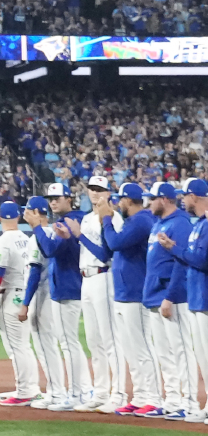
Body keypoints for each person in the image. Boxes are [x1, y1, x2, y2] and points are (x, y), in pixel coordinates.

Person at [64, 175, 125, 413]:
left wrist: (79, 235)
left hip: (103, 276)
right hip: (86, 279)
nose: (95, 193)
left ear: (108, 193)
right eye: (92, 188)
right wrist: (71, 237)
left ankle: (119, 394)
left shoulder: (113, 218)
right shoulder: (88, 218)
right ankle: (100, 393)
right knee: (93, 340)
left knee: (111, 340)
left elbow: (106, 254)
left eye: (100, 189)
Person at [100, 182, 161, 416]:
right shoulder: (133, 221)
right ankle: (140, 395)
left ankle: (154, 397)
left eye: (120, 200)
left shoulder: (141, 221)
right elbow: (111, 247)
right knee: (131, 349)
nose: (117, 204)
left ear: (128, 200)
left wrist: (106, 219)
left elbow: (115, 243)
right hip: (124, 293)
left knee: (142, 347)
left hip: (136, 292)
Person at [33, 183, 93, 410]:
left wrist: (37, 227)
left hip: (68, 287)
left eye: (57, 198)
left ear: (69, 198)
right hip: (71, 285)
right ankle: (84, 389)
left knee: (69, 343)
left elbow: (50, 250)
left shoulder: (70, 221)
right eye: (50, 199)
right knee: (71, 342)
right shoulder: (77, 219)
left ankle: (77, 394)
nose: (53, 202)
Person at [143, 182, 196, 420]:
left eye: (152, 198)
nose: (149, 203)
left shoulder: (180, 223)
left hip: (171, 296)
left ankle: (190, 402)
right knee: (164, 352)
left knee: (180, 350)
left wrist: (170, 296)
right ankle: (173, 399)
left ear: (164, 199)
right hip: (155, 293)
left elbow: (181, 263)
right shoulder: (159, 223)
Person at [162, 178, 208, 424]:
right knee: (202, 356)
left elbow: (201, 260)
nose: (182, 200)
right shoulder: (199, 224)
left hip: (205, 297)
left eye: (185, 196)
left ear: (194, 196)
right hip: (197, 297)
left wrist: (174, 249)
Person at [0, 201, 40, 406]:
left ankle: (25, 390)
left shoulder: (2, 242)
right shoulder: (26, 239)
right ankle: (30, 387)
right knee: (24, 345)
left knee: (16, 346)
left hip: (11, 295)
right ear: (18, 217)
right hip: (25, 294)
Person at [21, 196, 70, 410]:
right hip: (53, 293)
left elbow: (34, 273)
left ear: (35, 213)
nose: (24, 214)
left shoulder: (37, 238)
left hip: (42, 295)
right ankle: (57, 391)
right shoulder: (52, 233)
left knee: (45, 346)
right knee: (50, 345)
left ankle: (56, 393)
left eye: (27, 210)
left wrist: (25, 303)